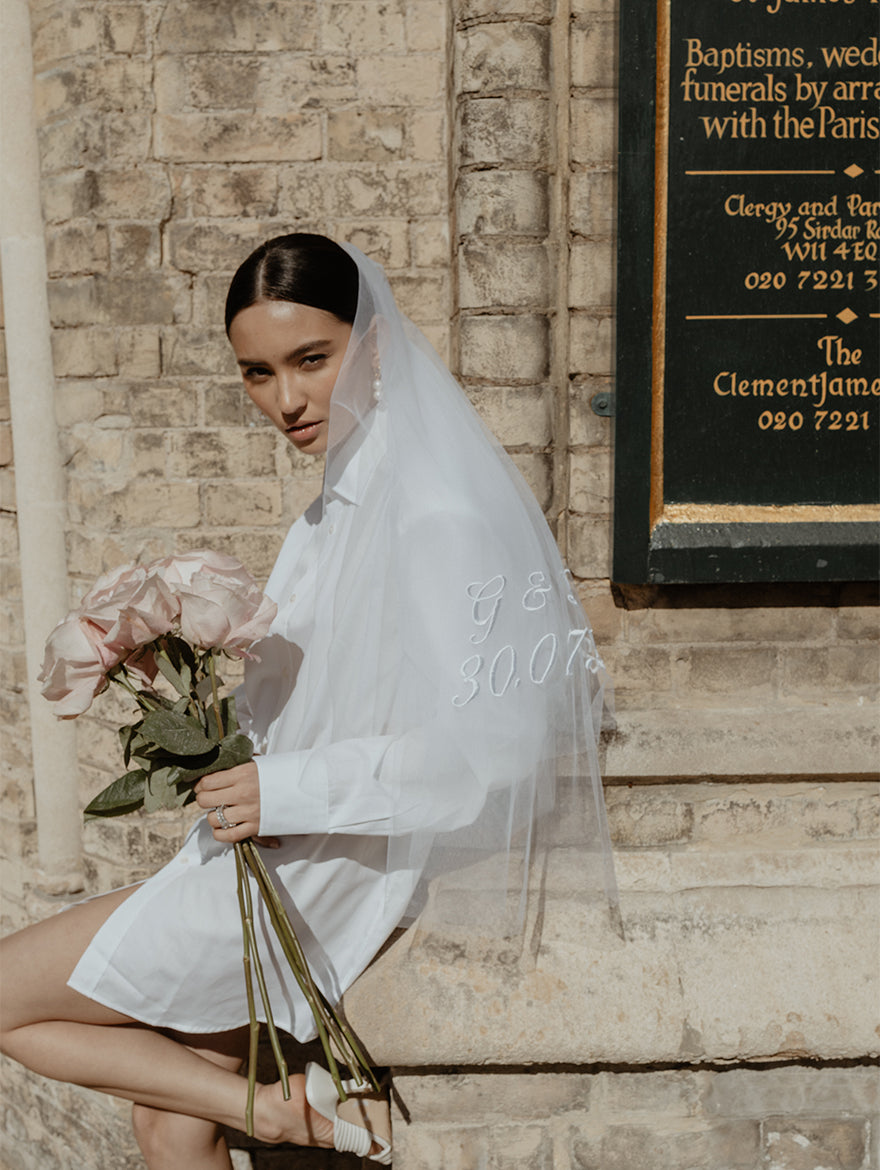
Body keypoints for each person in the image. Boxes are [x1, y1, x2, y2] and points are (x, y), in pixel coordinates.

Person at [0, 234, 617, 1169]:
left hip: (330, 864)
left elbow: (497, 742)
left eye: (311, 360)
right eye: (257, 373)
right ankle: (258, 1105)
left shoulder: (433, 512)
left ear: (371, 342)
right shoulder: (335, 507)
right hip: (270, 848)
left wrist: (285, 791)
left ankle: (277, 1113)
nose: (284, 400)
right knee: (166, 1123)